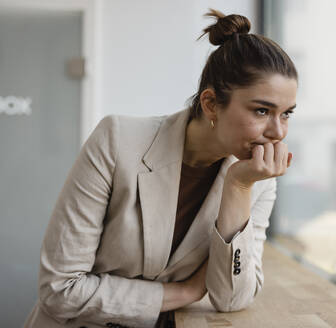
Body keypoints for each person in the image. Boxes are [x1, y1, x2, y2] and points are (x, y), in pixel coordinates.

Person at [23, 8, 297, 328]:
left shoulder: (256, 178)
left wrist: (238, 188)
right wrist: (184, 292)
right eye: (262, 110)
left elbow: (232, 299)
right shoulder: (117, 141)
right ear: (210, 103)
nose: (277, 132)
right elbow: (59, 290)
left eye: (287, 114)